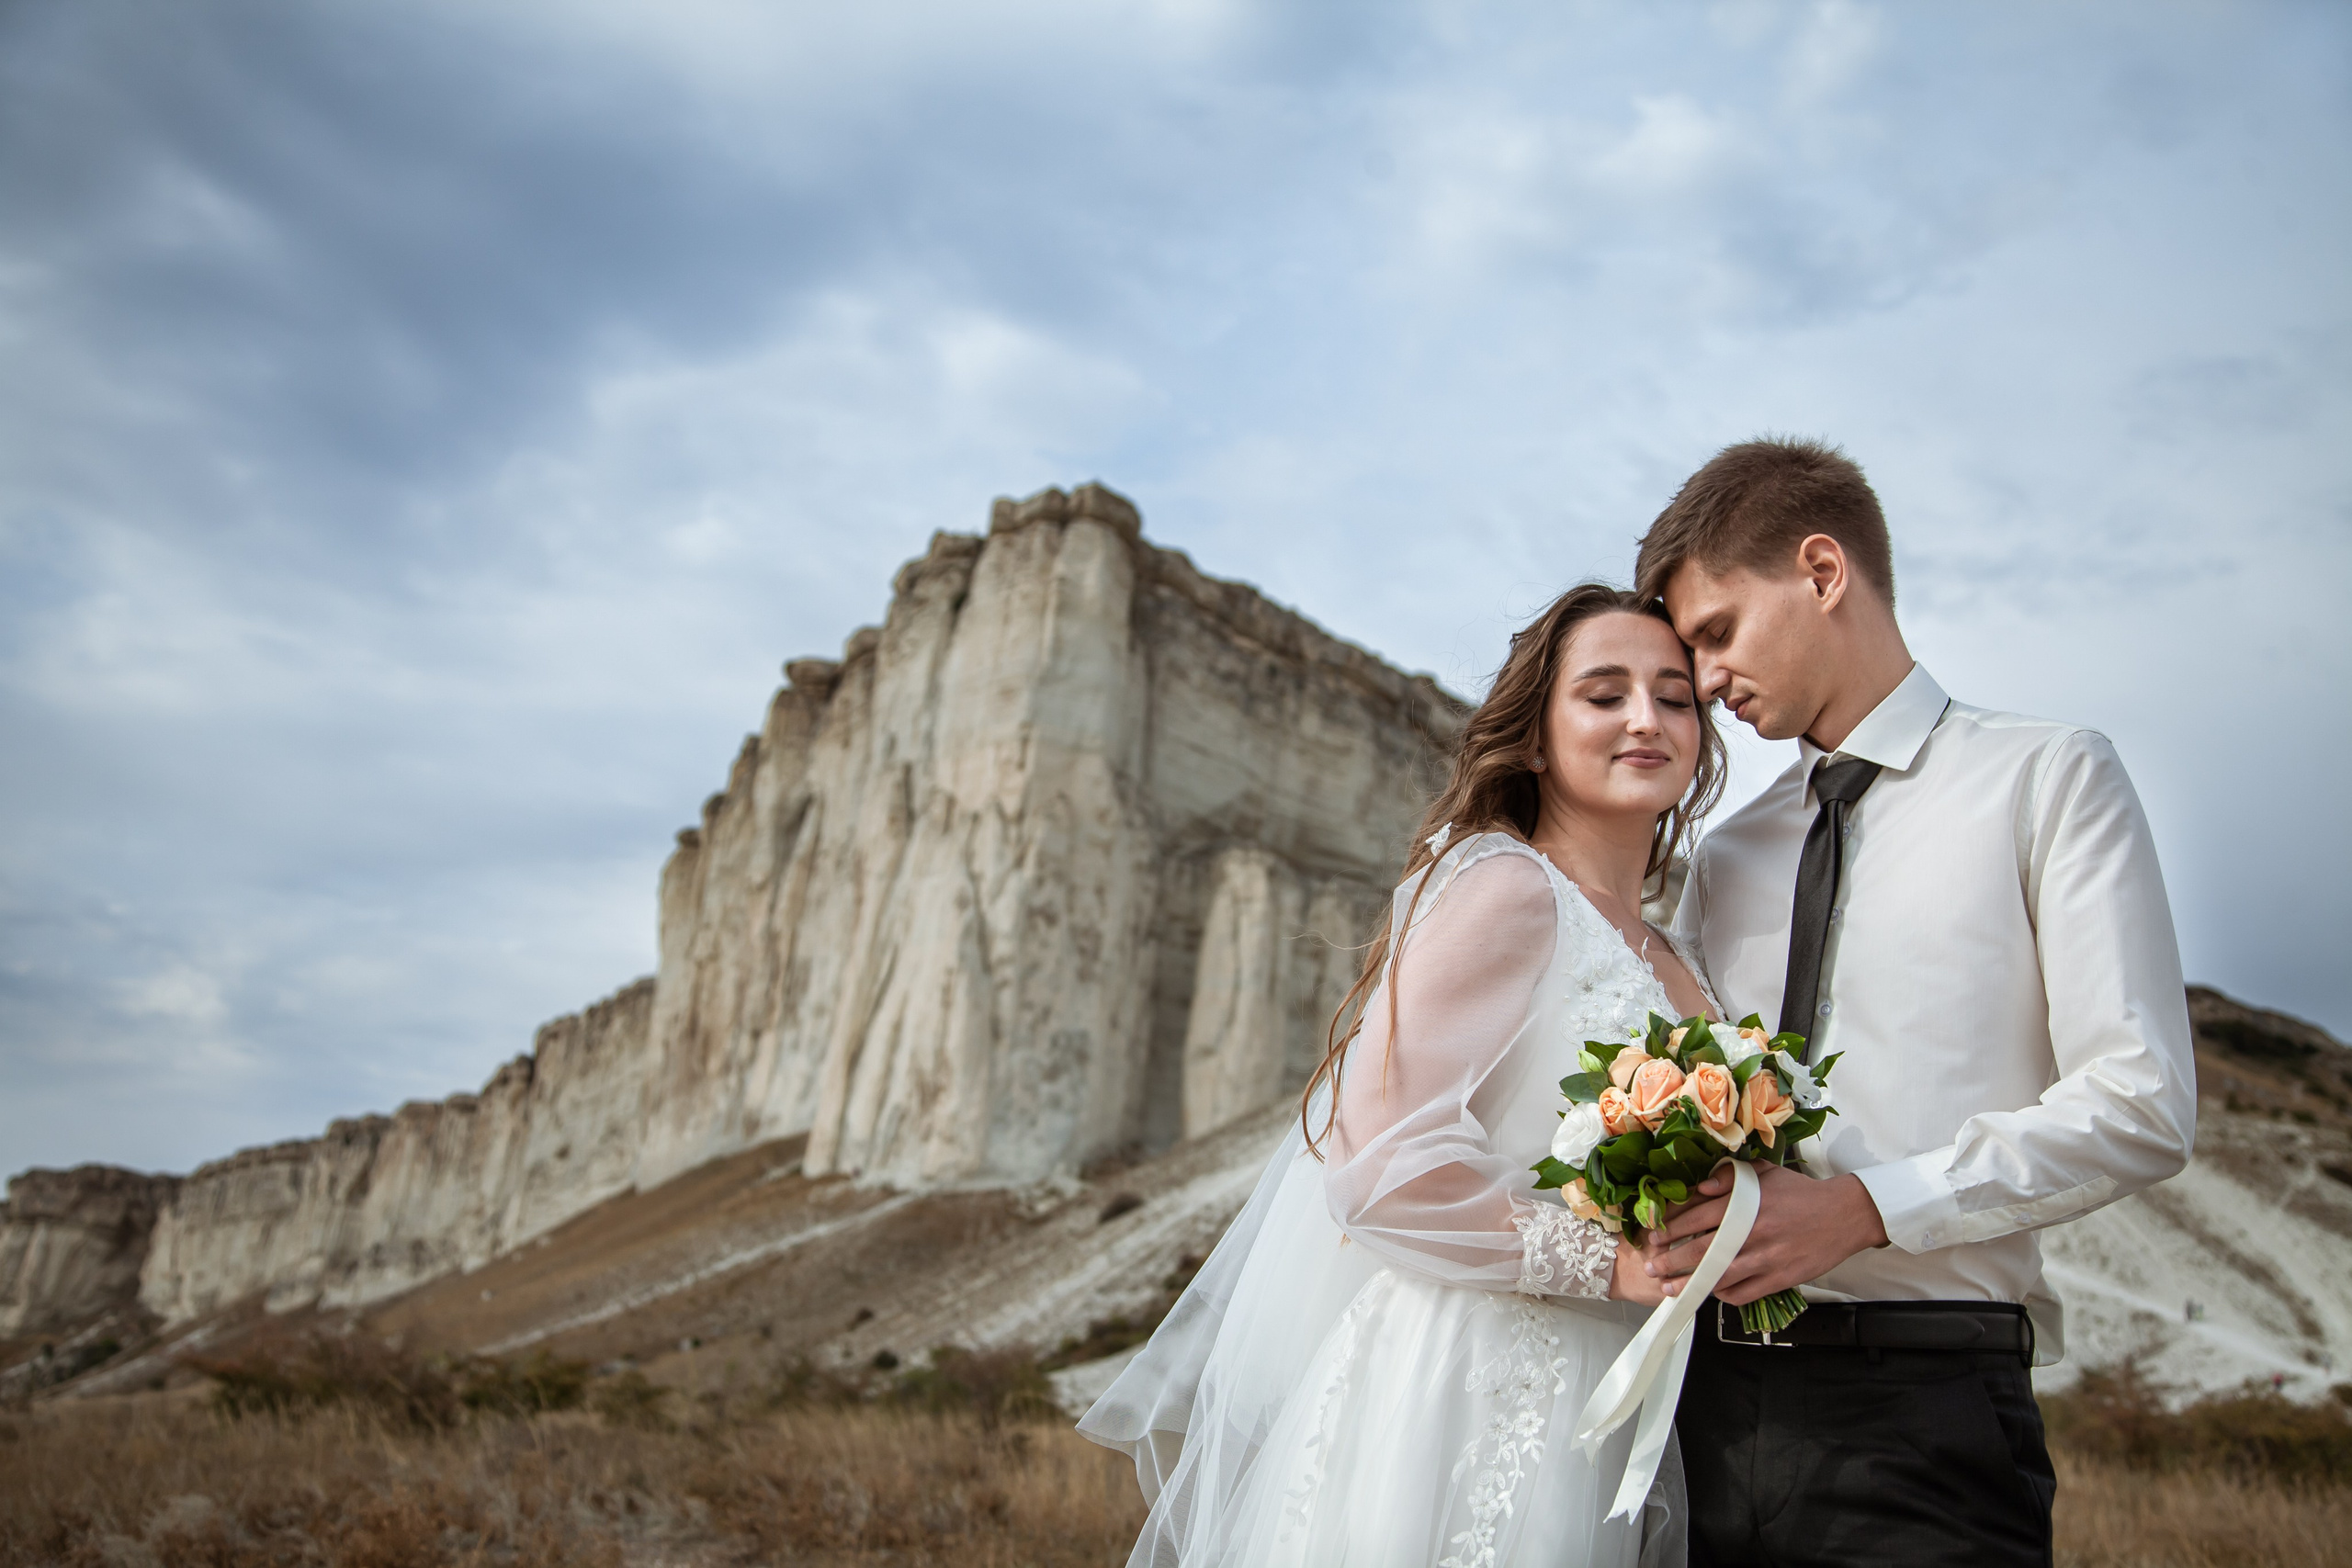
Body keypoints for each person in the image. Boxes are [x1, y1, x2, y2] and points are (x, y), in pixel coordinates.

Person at [1633, 438, 2197, 1567]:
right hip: (1694, 1410)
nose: (1701, 681)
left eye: (1716, 632)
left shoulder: (2050, 778)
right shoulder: (1729, 853)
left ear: (1823, 571)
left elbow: (2142, 1103)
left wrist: (1864, 1208)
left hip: (1925, 1414)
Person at [1080, 584, 1726, 1567]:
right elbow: (1380, 1164)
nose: (1646, 718)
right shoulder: (1508, 890)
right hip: (1462, 1380)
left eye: (1673, 697)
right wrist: (1616, 1264)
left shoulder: (1677, 960)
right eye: (1604, 694)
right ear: (1540, 738)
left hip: (1613, 1385)